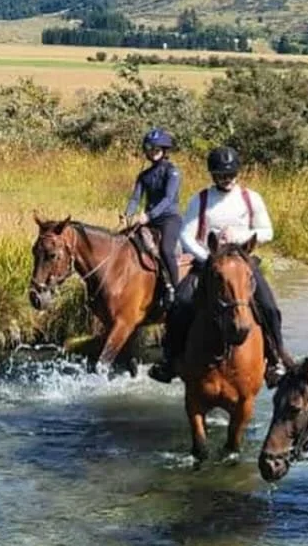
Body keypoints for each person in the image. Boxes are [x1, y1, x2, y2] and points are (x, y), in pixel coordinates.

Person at [150, 145, 293, 385]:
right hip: (208, 264)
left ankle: (276, 359)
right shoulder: (200, 199)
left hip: (242, 264)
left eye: (230, 174)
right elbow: (186, 235)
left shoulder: (251, 198)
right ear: (213, 175)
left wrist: (239, 236)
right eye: (221, 175)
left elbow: (267, 231)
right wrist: (208, 259)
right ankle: (170, 359)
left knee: (268, 307)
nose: (226, 179)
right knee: (180, 303)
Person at [123, 128, 182, 300]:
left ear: (164, 150)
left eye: (157, 148)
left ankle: (175, 289)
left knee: (166, 250)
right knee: (126, 241)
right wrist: (127, 214)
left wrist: (149, 215)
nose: (153, 152)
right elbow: (135, 198)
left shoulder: (172, 171)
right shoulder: (144, 175)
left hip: (169, 219)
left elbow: (168, 199)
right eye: (150, 148)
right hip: (149, 219)